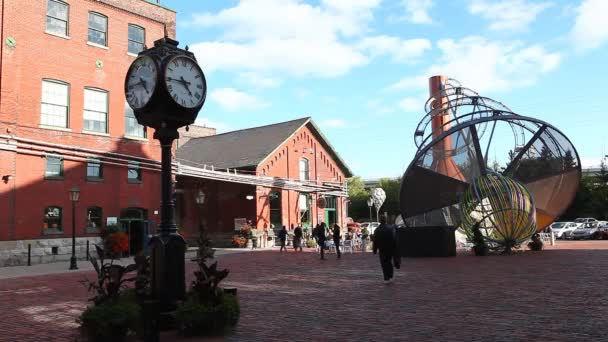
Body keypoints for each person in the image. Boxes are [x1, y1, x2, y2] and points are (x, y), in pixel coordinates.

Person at [373, 216, 400, 284]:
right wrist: (395, 248)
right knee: (389, 261)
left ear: (380, 221)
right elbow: (394, 239)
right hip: (390, 248)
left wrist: (375, 249)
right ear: (386, 220)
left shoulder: (377, 230)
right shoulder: (390, 228)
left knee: (384, 263)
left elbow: (375, 241)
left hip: (382, 249)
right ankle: (390, 274)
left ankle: (386, 277)